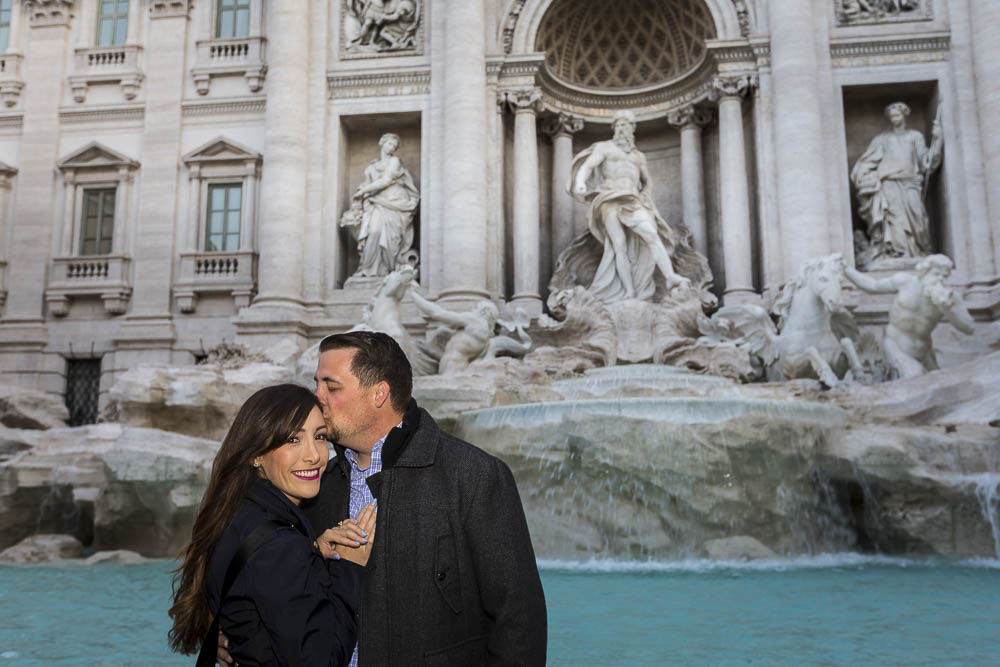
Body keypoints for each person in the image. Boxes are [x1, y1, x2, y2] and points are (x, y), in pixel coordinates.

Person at [221, 331, 547, 666]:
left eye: (331, 387)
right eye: (316, 383)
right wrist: (239, 626)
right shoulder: (313, 483)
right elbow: (270, 579)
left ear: (379, 393)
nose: (316, 397)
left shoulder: (476, 476)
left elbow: (519, 619)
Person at [169, 384, 376, 666]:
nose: (314, 455)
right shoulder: (280, 546)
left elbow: (256, 585)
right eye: (292, 440)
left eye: (319, 437)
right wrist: (350, 567)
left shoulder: (235, 513)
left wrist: (312, 551)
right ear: (256, 454)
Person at [570, 109, 690, 301]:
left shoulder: (638, 156)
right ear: (614, 127)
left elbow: (647, 181)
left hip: (632, 200)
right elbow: (588, 166)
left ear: (633, 128)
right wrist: (580, 182)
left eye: (627, 124)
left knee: (651, 234)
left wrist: (645, 195)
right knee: (619, 246)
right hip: (609, 198)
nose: (623, 128)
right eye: (620, 124)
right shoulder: (605, 148)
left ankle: (670, 276)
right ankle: (629, 291)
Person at [842, 254, 974, 379]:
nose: (940, 280)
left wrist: (947, 309)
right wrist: (846, 269)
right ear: (924, 272)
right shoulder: (904, 282)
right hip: (895, 346)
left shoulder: (950, 298)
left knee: (942, 384)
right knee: (915, 375)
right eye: (936, 274)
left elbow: (969, 328)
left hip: (925, 352)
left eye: (944, 277)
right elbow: (872, 286)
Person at [850, 101, 943, 265]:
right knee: (894, 218)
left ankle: (917, 251)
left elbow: (926, 162)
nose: (894, 118)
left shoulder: (915, 136)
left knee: (918, 216)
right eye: (891, 116)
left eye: (897, 115)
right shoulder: (882, 140)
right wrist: (866, 177)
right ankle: (898, 253)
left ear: (904, 115)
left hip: (910, 183)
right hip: (889, 184)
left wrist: (938, 140)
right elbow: (865, 163)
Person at [340, 133, 420, 278]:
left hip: (394, 201)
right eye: (389, 144)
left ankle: (387, 270)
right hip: (376, 201)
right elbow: (368, 182)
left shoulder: (394, 161)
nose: (391, 148)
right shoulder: (372, 165)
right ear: (381, 143)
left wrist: (364, 190)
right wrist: (361, 193)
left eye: (394, 146)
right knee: (374, 231)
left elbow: (386, 180)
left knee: (391, 238)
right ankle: (368, 269)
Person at [408, 289, 499, 374]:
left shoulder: (475, 320)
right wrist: (427, 350)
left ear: (484, 311)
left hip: (453, 368)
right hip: (453, 367)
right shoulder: (481, 333)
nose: (472, 311)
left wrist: (413, 295)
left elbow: (437, 313)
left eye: (476, 308)